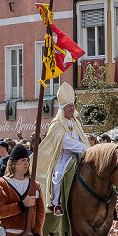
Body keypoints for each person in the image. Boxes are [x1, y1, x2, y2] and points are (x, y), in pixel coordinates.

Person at [34, 82, 89, 216]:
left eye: (73, 105)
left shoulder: (76, 122)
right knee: (57, 177)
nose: (71, 108)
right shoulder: (56, 124)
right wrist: (82, 147)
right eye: (69, 106)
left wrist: (89, 149)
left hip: (79, 155)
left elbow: (83, 138)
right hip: (62, 157)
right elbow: (65, 142)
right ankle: (56, 204)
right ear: (63, 108)